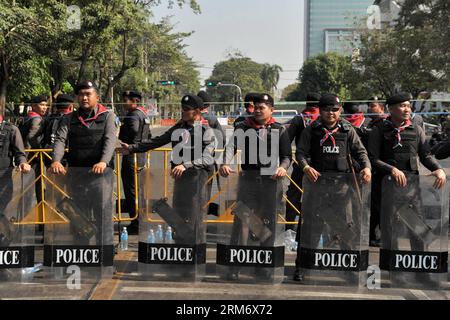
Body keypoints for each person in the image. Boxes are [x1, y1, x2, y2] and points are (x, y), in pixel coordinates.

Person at [293, 93, 372, 281]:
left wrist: (367, 168)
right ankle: (302, 267)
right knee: (310, 229)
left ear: (340, 110)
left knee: (346, 229)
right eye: (327, 109)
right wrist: (305, 167)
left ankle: (349, 268)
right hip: (316, 188)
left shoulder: (347, 130)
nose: (331, 113)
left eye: (335, 109)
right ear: (320, 110)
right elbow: (300, 153)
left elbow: (360, 152)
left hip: (342, 189)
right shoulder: (311, 130)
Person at [121, 94, 216, 246]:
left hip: (197, 179)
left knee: (194, 216)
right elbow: (158, 141)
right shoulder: (179, 128)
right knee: (179, 213)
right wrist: (132, 148)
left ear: (197, 112)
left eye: (187, 109)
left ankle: (195, 251)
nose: (183, 112)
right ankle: (180, 249)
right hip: (180, 178)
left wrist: (186, 165)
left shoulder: (206, 130)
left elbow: (207, 158)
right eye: (182, 109)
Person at [220, 93, 292, 280]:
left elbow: (287, 156)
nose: (258, 111)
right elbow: (231, 147)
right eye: (256, 107)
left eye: (262, 107)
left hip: (271, 182)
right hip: (248, 180)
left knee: (268, 222)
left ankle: (264, 265)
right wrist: (225, 163)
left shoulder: (280, 129)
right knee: (242, 221)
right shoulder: (243, 127)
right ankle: (235, 266)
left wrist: (283, 168)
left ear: (271, 110)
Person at [368, 93, 446, 250]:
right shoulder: (379, 129)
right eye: (402, 106)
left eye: (408, 106)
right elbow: (372, 158)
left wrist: (438, 169)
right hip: (386, 189)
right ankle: (391, 268)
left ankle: (418, 266)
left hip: (411, 190)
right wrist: (392, 169)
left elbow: (426, 155)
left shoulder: (416, 130)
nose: (407, 109)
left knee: (417, 230)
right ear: (391, 109)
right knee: (390, 231)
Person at [50, 80, 118, 248]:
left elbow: (110, 141)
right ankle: (81, 252)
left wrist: (103, 161)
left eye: (88, 94)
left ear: (97, 96)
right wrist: (56, 161)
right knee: (79, 217)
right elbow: (60, 140)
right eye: (81, 94)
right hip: (76, 175)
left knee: (103, 215)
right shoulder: (68, 118)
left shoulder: (108, 116)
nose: (84, 98)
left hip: (101, 176)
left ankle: (105, 253)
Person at [283, 93, 321, 232]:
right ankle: (314, 229)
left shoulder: (300, 118)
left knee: (293, 194)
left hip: (301, 163)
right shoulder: (323, 118)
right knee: (319, 196)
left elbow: (287, 138)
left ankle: (289, 228)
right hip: (320, 164)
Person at [0, 115, 31, 280]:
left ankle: (2, 264)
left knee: (2, 222)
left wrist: (23, 163)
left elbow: (20, 153)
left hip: (3, 182)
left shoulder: (11, 129)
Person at [118, 90, 151, 234]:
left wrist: (125, 142)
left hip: (132, 154)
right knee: (139, 190)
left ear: (134, 101)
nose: (124, 103)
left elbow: (132, 132)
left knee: (131, 190)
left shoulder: (133, 115)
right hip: (141, 155)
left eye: (126, 100)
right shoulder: (143, 114)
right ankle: (141, 220)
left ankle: (135, 222)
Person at [19, 95, 48, 205]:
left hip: (24, 157)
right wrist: (39, 149)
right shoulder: (36, 119)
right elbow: (31, 137)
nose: (45, 107)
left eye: (46, 105)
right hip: (33, 158)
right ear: (33, 106)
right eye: (42, 105)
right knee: (38, 187)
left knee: (25, 188)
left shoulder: (27, 117)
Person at [42, 94, 74, 166]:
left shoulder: (48, 119)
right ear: (71, 107)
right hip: (67, 156)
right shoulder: (72, 120)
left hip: (48, 156)